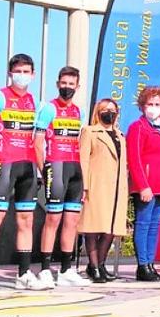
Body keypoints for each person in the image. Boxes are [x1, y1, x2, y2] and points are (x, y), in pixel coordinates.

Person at [0, 54, 43, 294]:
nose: (22, 76)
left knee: (26, 221)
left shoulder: (33, 102)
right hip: (5, 165)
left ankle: (24, 274)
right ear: (10, 73)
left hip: (27, 167)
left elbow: (37, 140)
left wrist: (40, 169)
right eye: (18, 71)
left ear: (33, 75)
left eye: (26, 71)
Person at [33, 66, 92, 288]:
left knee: (72, 220)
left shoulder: (80, 111)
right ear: (58, 84)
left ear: (77, 86)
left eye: (71, 84)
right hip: (55, 167)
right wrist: (45, 169)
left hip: (74, 168)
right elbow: (38, 143)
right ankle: (46, 269)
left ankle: (67, 269)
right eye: (64, 83)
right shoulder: (48, 109)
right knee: (53, 220)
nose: (67, 88)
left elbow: (80, 143)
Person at [125, 87, 160, 282]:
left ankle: (150, 264)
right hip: (147, 186)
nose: (153, 108)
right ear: (142, 106)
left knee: (155, 226)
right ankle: (142, 265)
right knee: (143, 224)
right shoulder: (137, 127)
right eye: (150, 104)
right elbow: (134, 158)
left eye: (157, 104)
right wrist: (142, 186)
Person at [78, 99, 131, 283]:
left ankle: (100, 263)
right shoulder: (90, 132)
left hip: (116, 188)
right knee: (93, 227)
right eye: (105, 110)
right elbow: (83, 160)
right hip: (96, 185)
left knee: (110, 229)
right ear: (97, 112)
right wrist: (84, 186)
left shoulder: (120, 135)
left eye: (112, 109)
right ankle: (93, 266)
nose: (109, 112)